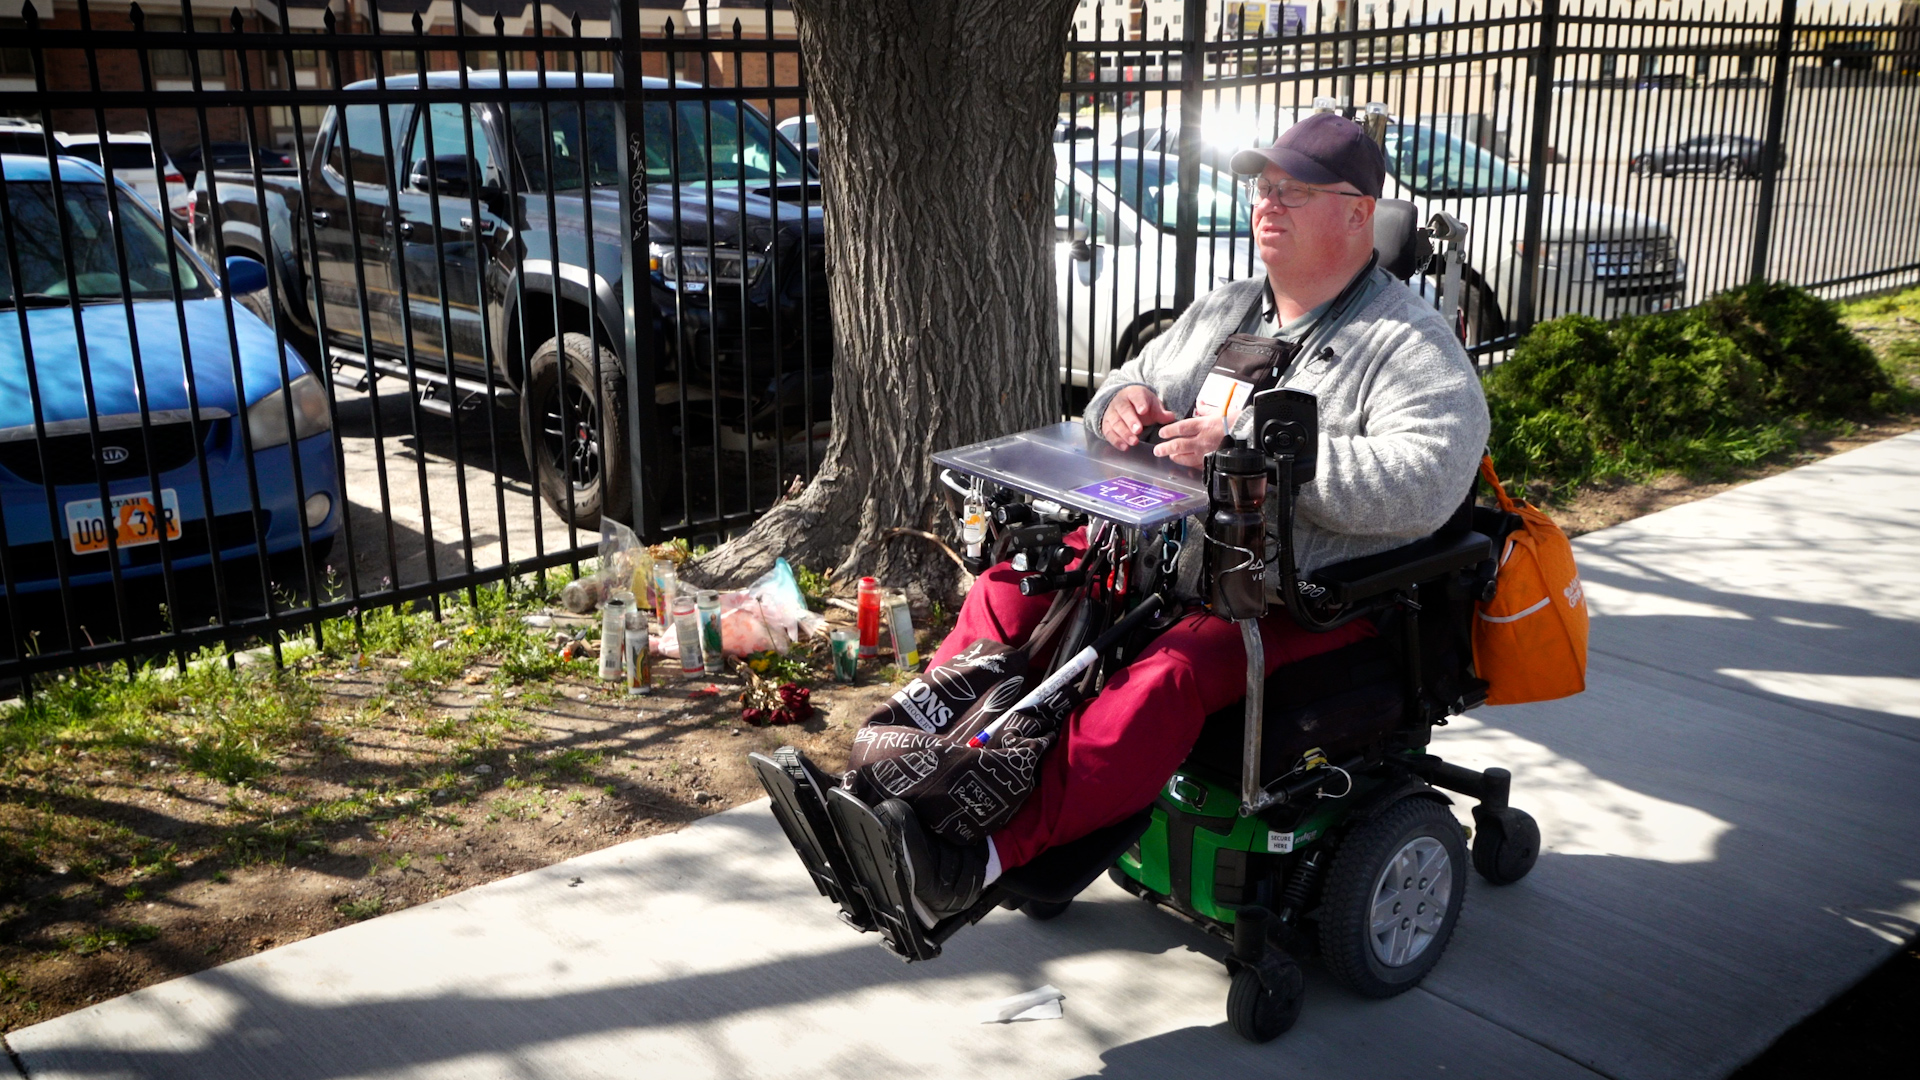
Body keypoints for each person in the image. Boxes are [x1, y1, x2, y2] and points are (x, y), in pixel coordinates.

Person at [879, 112, 1492, 926]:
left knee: (1160, 679)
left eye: (1293, 193)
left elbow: (1426, 482)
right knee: (1003, 591)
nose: (1266, 206)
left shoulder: (1409, 344)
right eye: (1263, 189)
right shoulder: (1229, 310)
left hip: (1302, 595)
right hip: (1162, 562)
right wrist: (1119, 406)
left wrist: (1258, 467)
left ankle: (975, 858)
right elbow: (1118, 385)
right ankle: (904, 781)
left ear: (1358, 212)